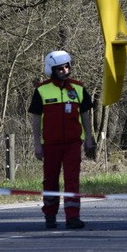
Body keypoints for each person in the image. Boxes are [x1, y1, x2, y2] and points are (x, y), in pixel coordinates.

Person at [28, 50, 96, 229]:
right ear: (51, 69)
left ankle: (72, 217)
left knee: (72, 180)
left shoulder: (78, 88)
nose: (65, 70)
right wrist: (37, 144)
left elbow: (86, 114)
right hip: (50, 144)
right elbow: (36, 118)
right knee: (50, 181)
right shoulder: (41, 90)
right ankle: (50, 215)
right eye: (61, 68)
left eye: (67, 66)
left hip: (73, 143)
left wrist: (89, 138)